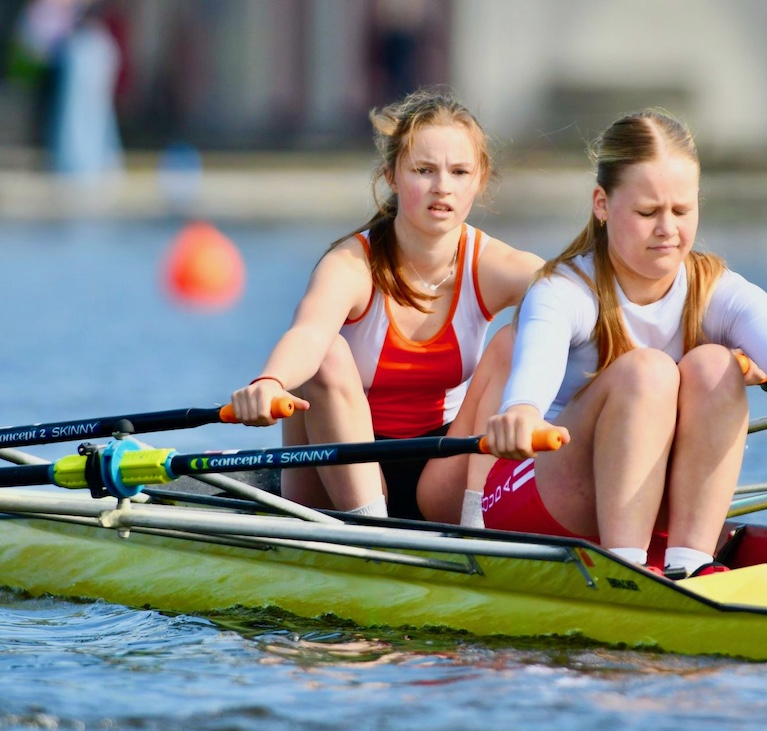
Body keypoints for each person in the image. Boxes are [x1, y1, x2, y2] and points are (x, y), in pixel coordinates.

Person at [480, 109, 767, 579]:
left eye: (682, 211)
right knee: (648, 371)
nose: (667, 229)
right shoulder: (564, 290)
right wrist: (523, 410)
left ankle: (690, 565)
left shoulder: (715, 289)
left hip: (646, 501)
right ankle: (626, 568)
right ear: (602, 204)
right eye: (647, 212)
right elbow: (539, 359)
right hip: (535, 499)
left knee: (716, 364)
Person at [229, 89, 542, 521]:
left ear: (479, 180)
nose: (442, 187)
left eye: (459, 172)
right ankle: (372, 529)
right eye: (424, 170)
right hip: (336, 472)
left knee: (517, 339)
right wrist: (270, 381)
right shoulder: (351, 265)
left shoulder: (497, 266)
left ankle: (478, 526)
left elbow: (586, 302)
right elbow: (309, 335)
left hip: (442, 474)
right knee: (327, 354)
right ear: (392, 176)